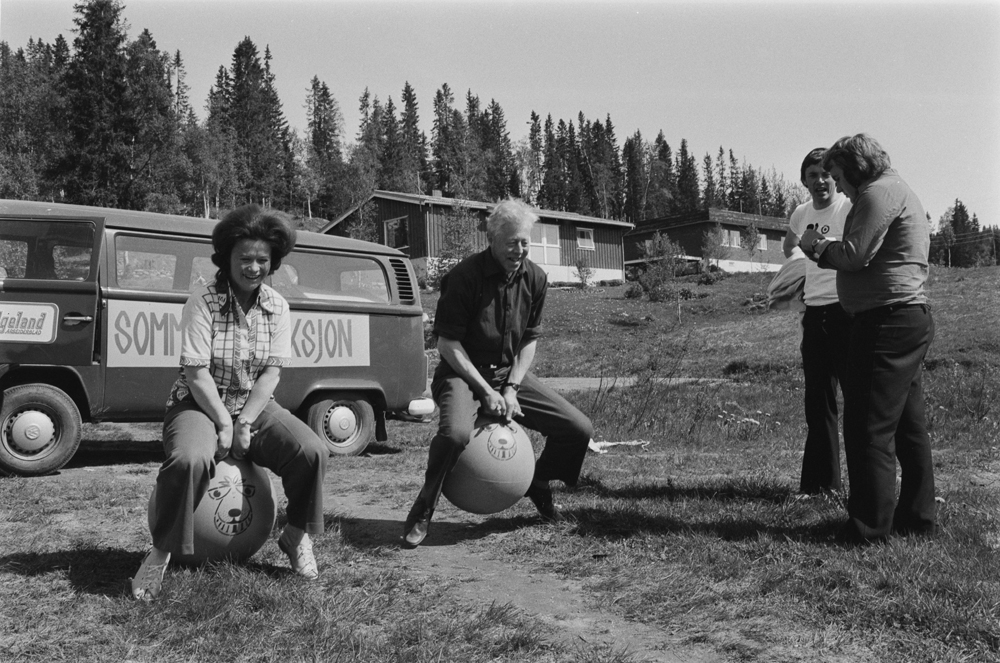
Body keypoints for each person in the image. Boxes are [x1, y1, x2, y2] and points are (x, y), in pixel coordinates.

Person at [132, 204, 328, 600]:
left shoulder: (278, 307)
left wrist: (244, 423)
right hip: (198, 404)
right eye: (244, 258)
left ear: (273, 262)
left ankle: (295, 537)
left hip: (252, 406)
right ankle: (160, 553)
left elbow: (270, 374)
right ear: (227, 258)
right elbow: (196, 373)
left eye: (262, 259)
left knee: (312, 451)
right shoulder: (202, 301)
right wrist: (224, 423)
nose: (253, 267)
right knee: (189, 459)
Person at [402, 198, 593, 548]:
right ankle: (424, 508)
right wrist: (484, 391)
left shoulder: (535, 278)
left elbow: (530, 340)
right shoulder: (463, 278)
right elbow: (448, 345)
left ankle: (538, 480)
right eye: (511, 243)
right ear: (491, 239)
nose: (519, 250)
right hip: (462, 375)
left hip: (507, 376)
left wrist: (511, 389)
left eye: (525, 242)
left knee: (577, 428)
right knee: (456, 434)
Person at [799, 134, 936, 543]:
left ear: (856, 168)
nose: (836, 185)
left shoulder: (877, 194)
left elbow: (856, 254)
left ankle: (868, 529)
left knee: (866, 427)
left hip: (887, 322)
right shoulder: (896, 189)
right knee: (909, 426)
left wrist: (817, 247)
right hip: (904, 317)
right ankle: (916, 519)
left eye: (838, 175)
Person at [783, 148, 852, 495]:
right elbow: (790, 245)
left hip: (847, 312)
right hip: (815, 314)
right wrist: (797, 267)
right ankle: (821, 487)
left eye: (826, 174)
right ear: (804, 181)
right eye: (813, 175)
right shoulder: (801, 213)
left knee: (856, 401)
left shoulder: (848, 208)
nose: (820, 181)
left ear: (835, 178)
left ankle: (866, 490)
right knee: (818, 401)